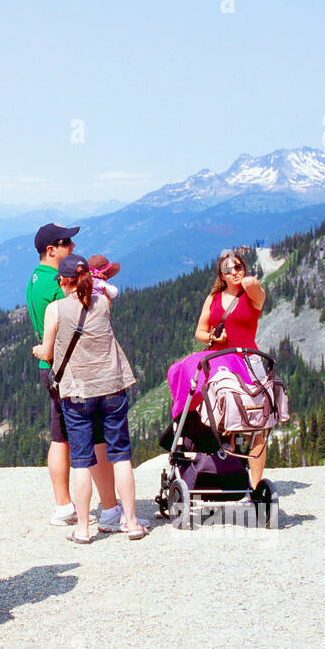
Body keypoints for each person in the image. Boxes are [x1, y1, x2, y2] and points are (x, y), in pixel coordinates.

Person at [32, 254, 147, 543]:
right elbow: (104, 293)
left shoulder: (55, 309)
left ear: (62, 280)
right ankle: (131, 523)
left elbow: (47, 353)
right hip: (111, 388)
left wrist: (37, 350)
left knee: (82, 460)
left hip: (78, 392)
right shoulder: (103, 303)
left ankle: (83, 529)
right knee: (120, 456)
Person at [27, 224, 121, 528]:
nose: (73, 244)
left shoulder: (35, 280)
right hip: (74, 372)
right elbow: (81, 314)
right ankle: (109, 508)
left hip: (51, 369)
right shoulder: (56, 286)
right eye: (66, 242)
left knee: (60, 437)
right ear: (51, 250)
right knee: (95, 438)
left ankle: (63, 506)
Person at [165, 249, 269, 491]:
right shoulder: (213, 298)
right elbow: (200, 332)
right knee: (225, 421)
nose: (233, 272)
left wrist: (236, 266)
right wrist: (212, 335)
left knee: (256, 425)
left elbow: (253, 283)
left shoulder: (251, 295)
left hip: (247, 361)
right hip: (220, 361)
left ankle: (254, 485)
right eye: (227, 270)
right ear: (220, 274)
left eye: (238, 268)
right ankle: (228, 474)